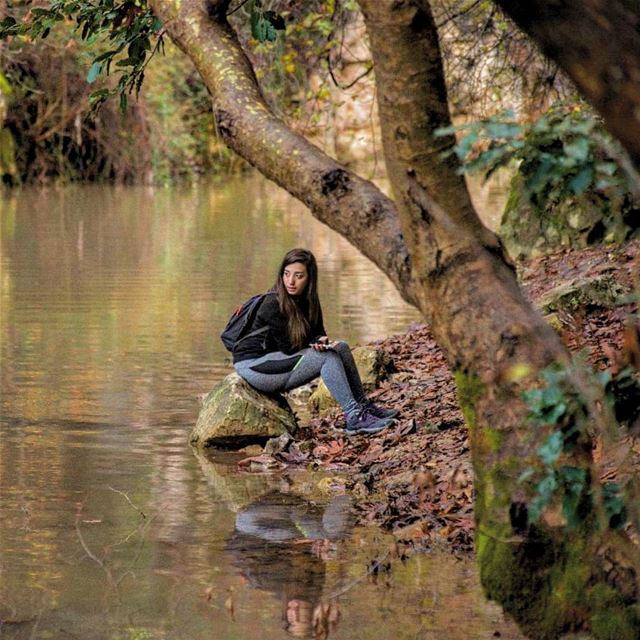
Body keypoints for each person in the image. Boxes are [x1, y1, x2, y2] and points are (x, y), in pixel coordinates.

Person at [233, 248, 399, 435]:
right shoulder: (272, 303)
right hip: (254, 365)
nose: (291, 281)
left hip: (277, 359)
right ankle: (353, 416)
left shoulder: (309, 301)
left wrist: (320, 340)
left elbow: (318, 332)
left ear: (309, 278)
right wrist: (315, 344)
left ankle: (363, 407)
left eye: (298, 276)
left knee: (342, 347)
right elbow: (288, 347)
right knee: (327, 357)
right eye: (286, 274)